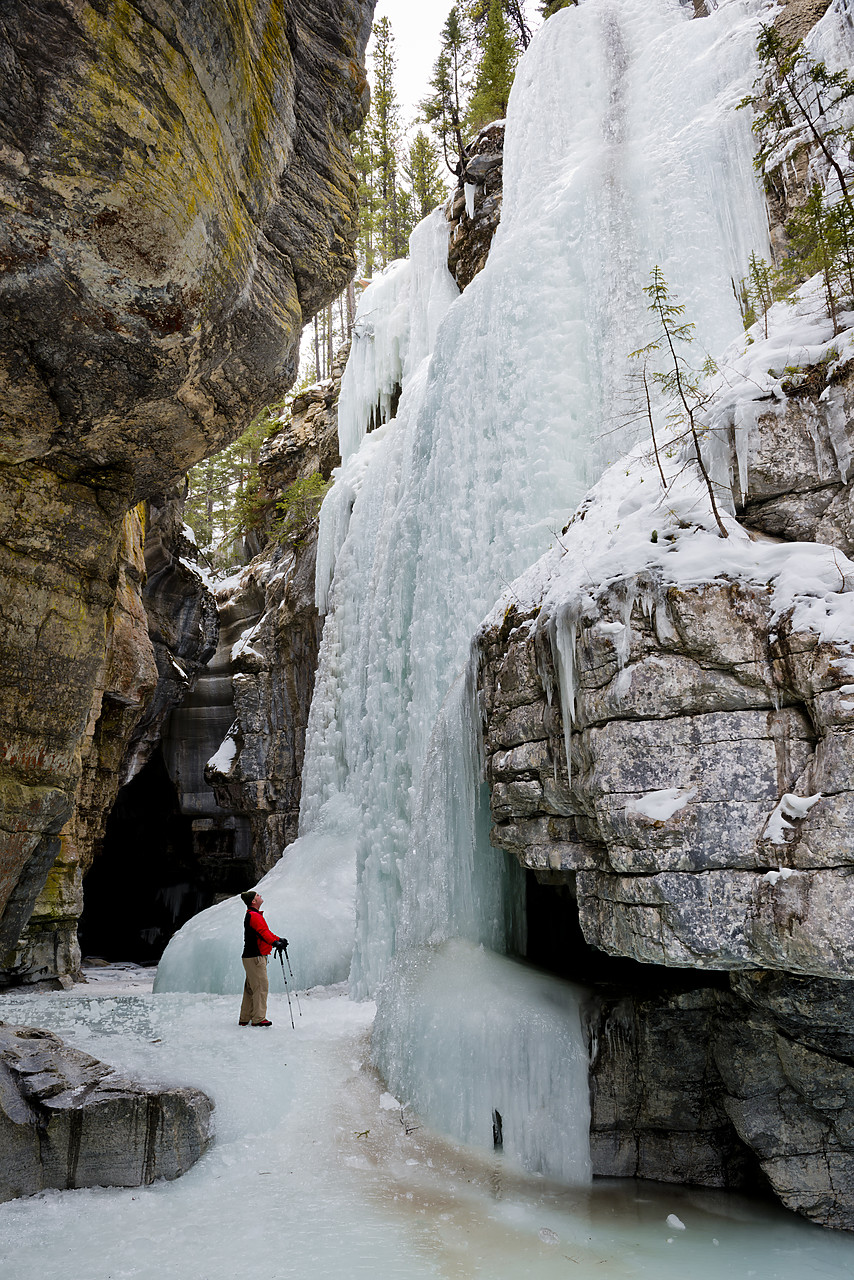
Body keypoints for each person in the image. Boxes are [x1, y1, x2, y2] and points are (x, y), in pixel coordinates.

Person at [239, 890, 287, 1027]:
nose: (260, 896)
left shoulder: (253, 915)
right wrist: (275, 943)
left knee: (250, 988)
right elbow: (264, 933)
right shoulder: (254, 916)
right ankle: (259, 1018)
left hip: (249, 957)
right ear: (253, 901)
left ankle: (245, 1017)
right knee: (261, 986)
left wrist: (278, 939)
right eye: (258, 896)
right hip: (256, 957)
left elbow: (265, 933)